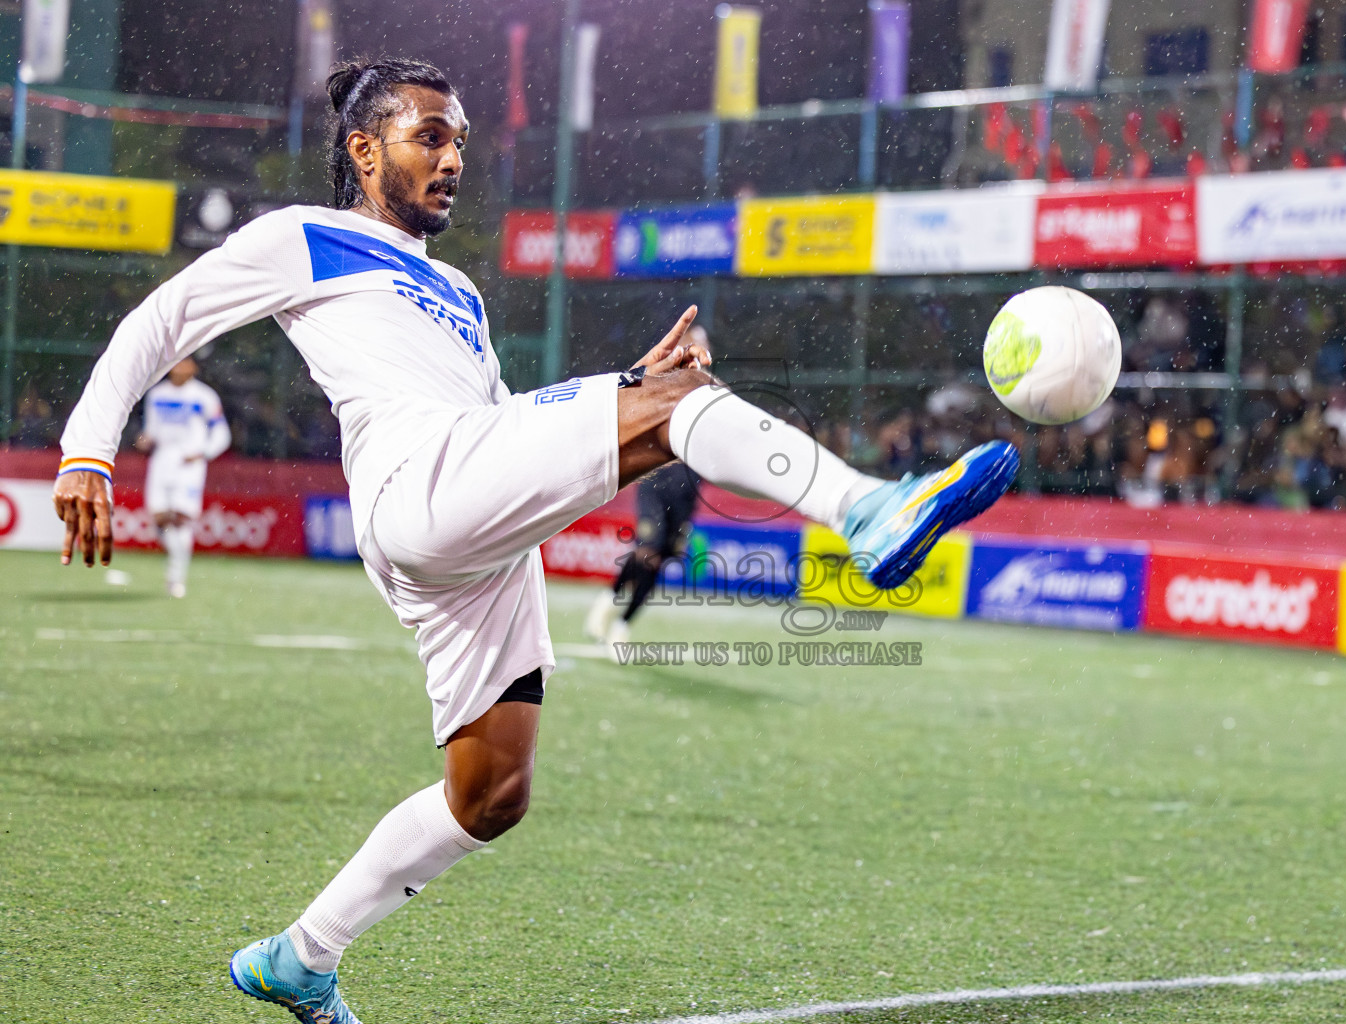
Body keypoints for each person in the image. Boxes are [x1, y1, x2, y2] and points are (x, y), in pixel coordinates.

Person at [50, 57, 1018, 1024]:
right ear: (362, 148)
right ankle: (864, 510)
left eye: (461, 139)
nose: (452, 156)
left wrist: (630, 390)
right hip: (416, 481)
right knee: (680, 400)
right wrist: (87, 451)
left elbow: (507, 422)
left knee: (491, 790)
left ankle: (303, 955)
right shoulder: (308, 237)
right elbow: (161, 317)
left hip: (467, 504)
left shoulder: (459, 293)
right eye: (429, 135)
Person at [585, 325, 708, 653]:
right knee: (647, 551)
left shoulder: (710, 391)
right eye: (693, 343)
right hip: (658, 480)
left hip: (688, 487)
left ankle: (621, 622)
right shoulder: (665, 381)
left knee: (662, 557)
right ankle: (613, 608)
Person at [134, 356, 231, 597]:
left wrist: (202, 453)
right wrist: (146, 440)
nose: (178, 367)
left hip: (189, 466)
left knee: (181, 519)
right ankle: (175, 565)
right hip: (161, 462)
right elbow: (152, 430)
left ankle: (176, 578)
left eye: (184, 362)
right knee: (159, 519)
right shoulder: (157, 395)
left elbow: (222, 434)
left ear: (193, 367)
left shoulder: (204, 396)